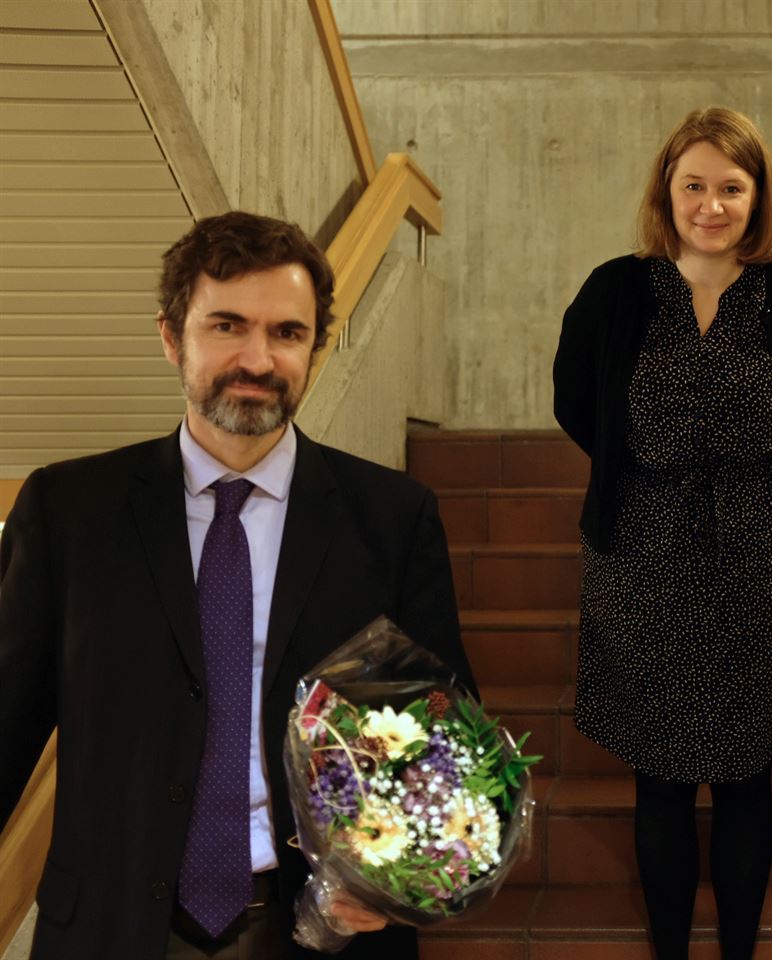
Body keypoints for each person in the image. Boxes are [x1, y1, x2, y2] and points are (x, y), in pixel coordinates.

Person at [0, 211, 474, 959]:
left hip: (321, 931)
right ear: (170, 336)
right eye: (226, 325)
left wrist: (400, 874)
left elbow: (441, 730)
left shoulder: (389, 517)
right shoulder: (68, 512)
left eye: (287, 333)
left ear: (313, 348)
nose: (257, 358)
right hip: (116, 927)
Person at [552, 106, 772, 959]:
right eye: (695, 185)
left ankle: (736, 951)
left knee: (746, 775)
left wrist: (751, 480)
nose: (712, 204)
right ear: (668, 192)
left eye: (732, 186)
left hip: (760, 557)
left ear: (758, 197)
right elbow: (576, 401)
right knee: (657, 777)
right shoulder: (616, 288)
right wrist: (648, 469)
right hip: (639, 559)